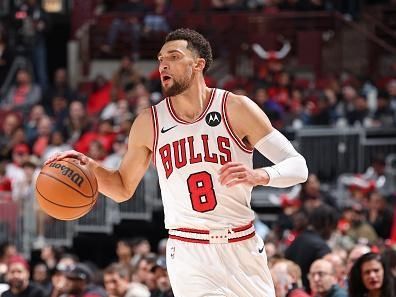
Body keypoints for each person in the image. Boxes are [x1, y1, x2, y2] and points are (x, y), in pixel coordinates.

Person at [46, 28, 308, 297]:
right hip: (188, 250)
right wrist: (89, 167)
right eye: (160, 59)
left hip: (242, 245)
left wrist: (260, 175)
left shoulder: (236, 108)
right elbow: (122, 188)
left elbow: (298, 167)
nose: (163, 65)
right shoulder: (149, 122)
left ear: (198, 64)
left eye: (173, 56)